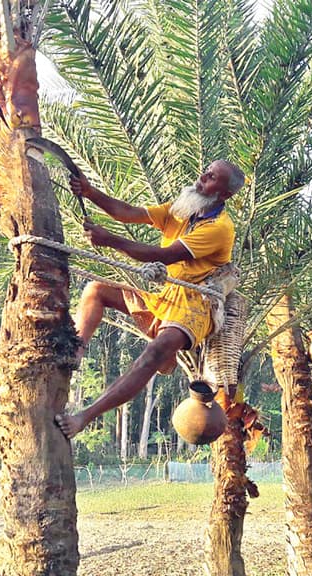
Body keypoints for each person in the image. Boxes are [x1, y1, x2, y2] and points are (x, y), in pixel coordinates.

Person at [55, 160, 245, 439]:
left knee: (154, 354)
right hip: (165, 294)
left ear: (224, 194)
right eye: (206, 170)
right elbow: (128, 212)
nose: (203, 176)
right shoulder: (184, 207)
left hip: (195, 305)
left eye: (212, 176)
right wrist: (89, 191)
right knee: (96, 290)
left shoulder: (220, 228)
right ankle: (75, 353)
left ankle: (85, 417)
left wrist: (111, 241)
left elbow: (164, 256)